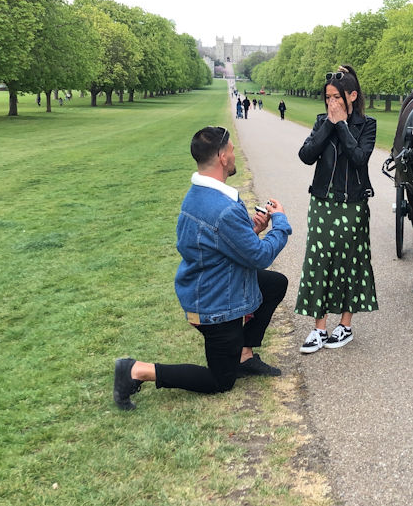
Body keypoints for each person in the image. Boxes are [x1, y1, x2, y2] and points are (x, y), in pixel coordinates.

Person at [113, 126, 292, 410]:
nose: (234, 154)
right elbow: (258, 257)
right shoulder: (220, 207)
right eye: (231, 149)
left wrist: (252, 230)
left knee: (274, 284)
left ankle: (244, 356)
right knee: (221, 381)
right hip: (214, 304)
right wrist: (280, 221)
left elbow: (221, 244)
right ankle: (136, 371)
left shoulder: (200, 195)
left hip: (212, 285)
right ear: (222, 157)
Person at [295, 65, 378, 353]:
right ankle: (319, 329)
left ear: (352, 96)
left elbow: (359, 158)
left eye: (337, 98)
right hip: (322, 201)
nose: (331, 103)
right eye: (328, 97)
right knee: (318, 262)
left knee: (350, 262)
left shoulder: (367, 125)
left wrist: (342, 125)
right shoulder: (321, 122)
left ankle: (345, 325)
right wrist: (330, 124)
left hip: (352, 203)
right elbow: (306, 155)